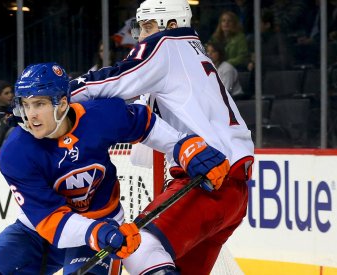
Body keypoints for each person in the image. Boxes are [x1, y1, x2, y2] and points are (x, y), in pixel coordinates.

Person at [70, 0, 255, 274]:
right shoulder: (193, 53)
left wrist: (58, 95)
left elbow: (114, 81)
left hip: (206, 178)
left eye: (147, 26)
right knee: (165, 265)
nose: (142, 36)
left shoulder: (167, 44)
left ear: (171, 25)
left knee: (137, 249)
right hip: (232, 191)